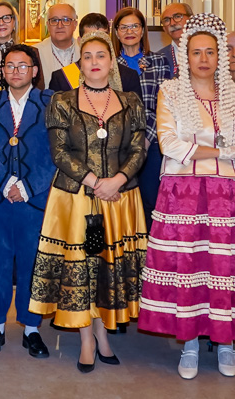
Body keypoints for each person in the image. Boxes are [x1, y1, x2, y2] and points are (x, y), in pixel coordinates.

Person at [139, 14, 235, 379]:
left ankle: (226, 343)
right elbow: (169, 143)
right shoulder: (171, 91)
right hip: (183, 193)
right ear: (184, 55)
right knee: (188, 269)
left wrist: (227, 158)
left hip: (227, 192)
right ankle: (189, 343)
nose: (203, 58)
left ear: (220, 55)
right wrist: (217, 152)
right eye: (196, 52)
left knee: (224, 268)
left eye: (210, 51)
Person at [29, 32, 149, 370]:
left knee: (106, 263)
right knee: (86, 263)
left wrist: (118, 181)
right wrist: (96, 182)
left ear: (112, 62)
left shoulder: (131, 101)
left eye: (101, 55)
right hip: (78, 201)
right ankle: (85, 338)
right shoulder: (63, 101)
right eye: (88, 57)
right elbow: (59, 152)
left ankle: (103, 334)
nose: (94, 62)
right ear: (79, 63)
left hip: (119, 200)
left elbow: (140, 148)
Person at [0, 44, 56, 358]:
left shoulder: (52, 103)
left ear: (35, 71)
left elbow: (59, 152)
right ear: (2, 70)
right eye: (9, 66)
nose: (15, 71)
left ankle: (31, 328)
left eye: (23, 66)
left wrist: (28, 185)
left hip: (34, 199)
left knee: (32, 264)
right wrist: (2, 182)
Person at [112, 7, 168, 222]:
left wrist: (146, 138)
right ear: (116, 32)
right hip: (119, 141)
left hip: (152, 141)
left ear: (143, 30)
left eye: (134, 26)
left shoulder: (159, 62)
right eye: (123, 27)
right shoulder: (111, 65)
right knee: (122, 199)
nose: (129, 31)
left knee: (151, 199)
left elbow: (162, 104)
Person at [35, 3, 78, 83]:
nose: (60, 25)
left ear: (75, 25)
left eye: (66, 20)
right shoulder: (36, 52)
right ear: (48, 25)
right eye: (54, 20)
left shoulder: (84, 50)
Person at [157, 2, 193, 78]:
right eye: (166, 20)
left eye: (177, 16)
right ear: (164, 29)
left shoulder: (209, 52)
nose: (172, 23)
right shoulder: (158, 58)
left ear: (191, 20)